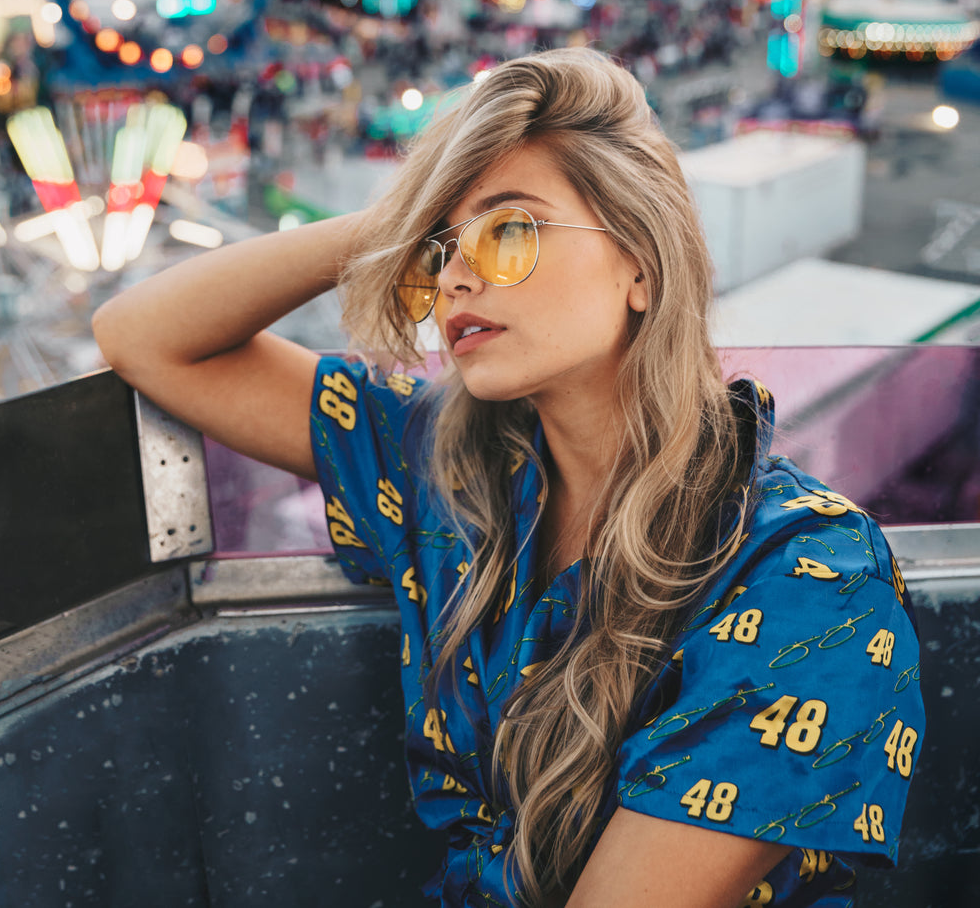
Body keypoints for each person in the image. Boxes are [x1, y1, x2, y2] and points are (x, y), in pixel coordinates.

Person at [93, 49, 923, 908]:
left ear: (639, 261)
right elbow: (143, 336)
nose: (455, 274)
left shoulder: (809, 577)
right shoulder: (448, 472)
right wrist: (402, 219)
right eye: (439, 249)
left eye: (509, 229)